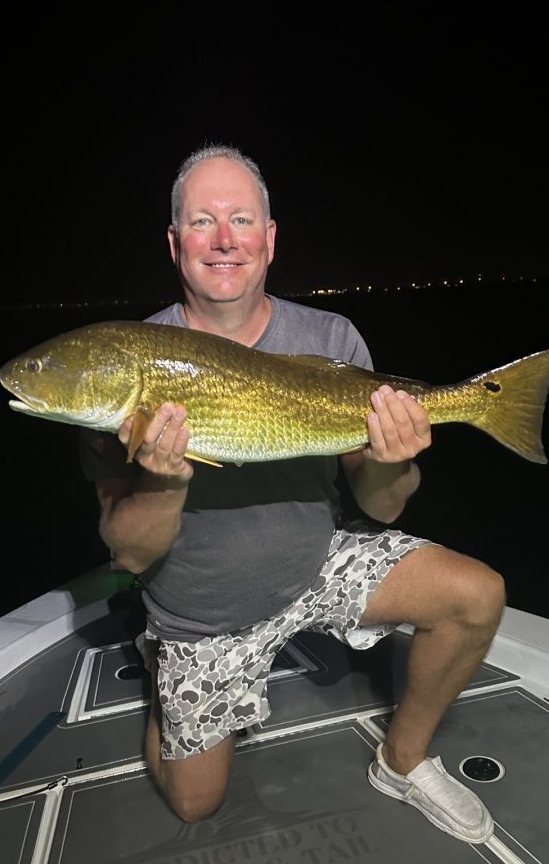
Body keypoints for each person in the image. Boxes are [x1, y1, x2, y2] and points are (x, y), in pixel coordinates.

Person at [79, 144, 505, 844]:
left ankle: (401, 762)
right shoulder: (125, 365)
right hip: (204, 608)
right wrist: (163, 478)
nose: (223, 239)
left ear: (269, 239)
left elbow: (384, 506)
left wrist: (393, 461)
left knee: (476, 594)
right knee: (195, 806)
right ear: (173, 242)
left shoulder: (330, 336)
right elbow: (128, 552)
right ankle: (167, 669)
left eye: (241, 219)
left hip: (316, 561)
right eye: (201, 222)